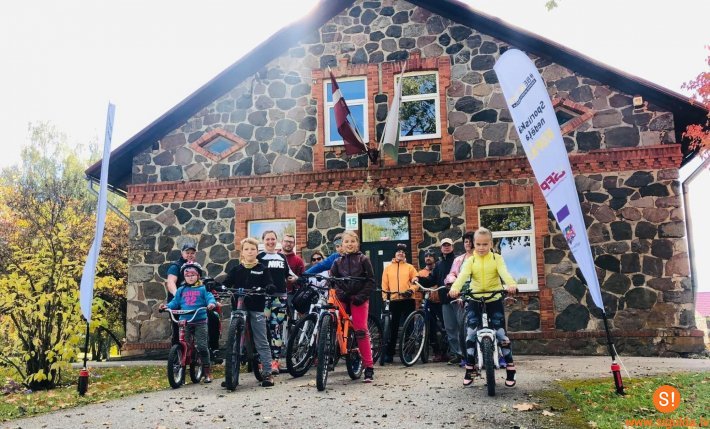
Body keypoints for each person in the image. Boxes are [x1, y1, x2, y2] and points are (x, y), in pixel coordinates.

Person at [449, 227, 518, 388]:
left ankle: (510, 367)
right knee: (471, 334)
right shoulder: (470, 261)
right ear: (474, 244)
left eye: (485, 244)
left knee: (501, 334)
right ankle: (470, 368)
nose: (481, 247)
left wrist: (511, 284)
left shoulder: (497, 258)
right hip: (475, 298)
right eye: (478, 244)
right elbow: (463, 276)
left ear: (491, 244)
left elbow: (504, 273)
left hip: (494, 298)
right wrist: (455, 288)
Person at [222, 237, 277, 388]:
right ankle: (230, 373)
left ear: (257, 252)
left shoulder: (262, 269)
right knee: (232, 340)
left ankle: (267, 373)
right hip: (238, 307)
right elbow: (226, 283)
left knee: (261, 340)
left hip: (256, 307)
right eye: (246, 249)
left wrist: (270, 287)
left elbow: (269, 283)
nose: (250, 252)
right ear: (242, 252)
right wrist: (217, 286)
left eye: (253, 249)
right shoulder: (237, 269)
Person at [329, 231, 376, 382]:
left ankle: (368, 367)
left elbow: (371, 281)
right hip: (343, 297)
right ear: (341, 245)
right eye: (346, 241)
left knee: (361, 330)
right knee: (333, 320)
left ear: (357, 243)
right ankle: (333, 351)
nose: (349, 244)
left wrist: (360, 297)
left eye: (352, 241)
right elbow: (333, 281)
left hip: (359, 298)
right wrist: (340, 293)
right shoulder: (337, 262)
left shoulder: (364, 259)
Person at [161, 262, 217, 383]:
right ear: (184, 277)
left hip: (200, 321)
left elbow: (210, 298)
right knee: (183, 344)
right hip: (184, 320)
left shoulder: (203, 288)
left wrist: (211, 304)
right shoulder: (181, 290)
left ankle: (207, 371)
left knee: (202, 346)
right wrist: (167, 306)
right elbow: (175, 302)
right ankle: (180, 370)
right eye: (187, 275)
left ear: (198, 276)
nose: (190, 277)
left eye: (193, 275)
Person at [418, 237, 461, 365]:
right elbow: (431, 280)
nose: (446, 247)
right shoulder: (439, 265)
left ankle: (467, 354)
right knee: (450, 329)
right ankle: (456, 354)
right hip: (445, 301)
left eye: (448, 245)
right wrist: (418, 279)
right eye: (444, 245)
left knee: (462, 327)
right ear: (441, 248)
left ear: (452, 247)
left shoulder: (458, 261)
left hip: (458, 299)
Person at [258, 230, 296, 374]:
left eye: (273, 239)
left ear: (276, 240)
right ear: (263, 241)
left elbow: (289, 274)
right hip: (263, 298)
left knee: (276, 329)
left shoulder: (281, 257)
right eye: (267, 239)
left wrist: (296, 278)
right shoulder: (259, 257)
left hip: (280, 298)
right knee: (262, 330)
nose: (270, 242)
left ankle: (275, 361)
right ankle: (263, 361)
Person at [380, 243, 418, 363]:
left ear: (405, 255)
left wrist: (411, 290)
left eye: (402, 252)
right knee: (392, 328)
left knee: (409, 327)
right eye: (398, 251)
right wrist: (385, 299)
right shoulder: (388, 268)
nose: (400, 253)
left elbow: (416, 282)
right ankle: (389, 353)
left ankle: (408, 353)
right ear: (395, 254)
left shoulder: (410, 267)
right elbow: (384, 286)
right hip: (394, 301)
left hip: (408, 300)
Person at [165, 243, 197, 346]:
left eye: (192, 253)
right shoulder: (175, 266)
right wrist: (178, 296)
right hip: (177, 304)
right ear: (182, 253)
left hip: (192, 304)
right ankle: (176, 353)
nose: (190, 255)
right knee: (178, 331)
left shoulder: (196, 268)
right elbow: (171, 283)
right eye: (187, 253)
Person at [419, 249, 447, 363]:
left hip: (440, 301)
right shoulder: (421, 273)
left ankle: (445, 352)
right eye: (426, 256)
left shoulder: (439, 269)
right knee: (431, 328)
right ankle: (436, 352)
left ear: (434, 258)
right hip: (429, 302)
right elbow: (419, 288)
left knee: (445, 327)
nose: (428, 258)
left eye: (430, 256)